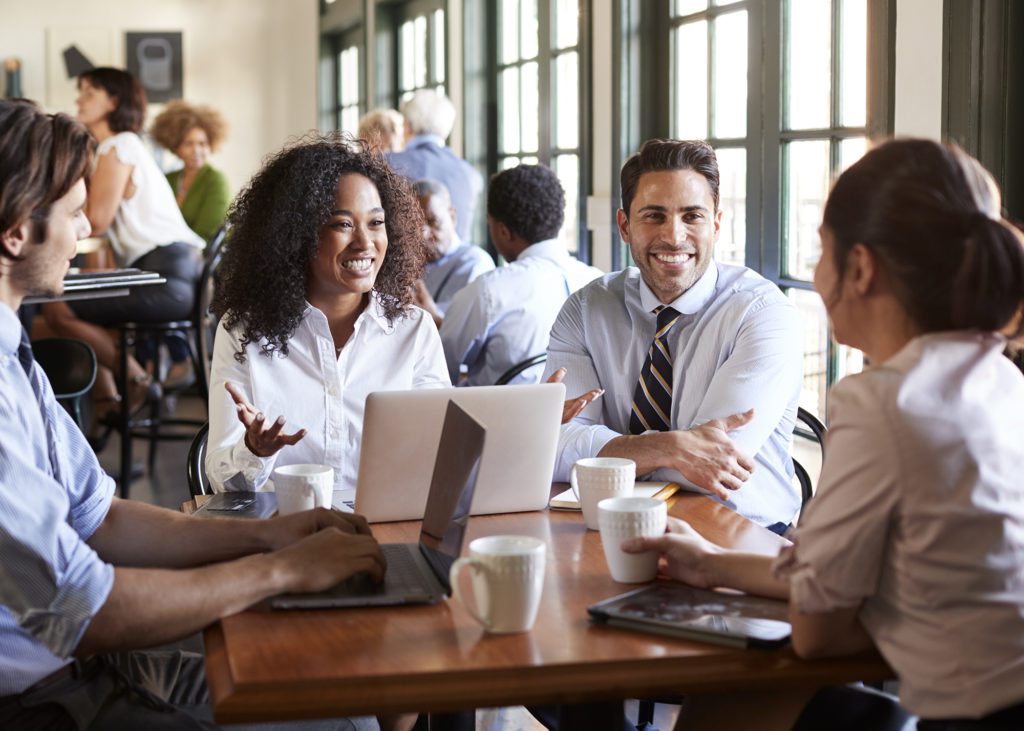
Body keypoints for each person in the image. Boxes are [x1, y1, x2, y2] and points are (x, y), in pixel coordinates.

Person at [0, 99, 385, 730]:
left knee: (334, 707)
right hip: (38, 703)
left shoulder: (15, 355)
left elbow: (99, 518)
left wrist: (268, 535)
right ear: (17, 230)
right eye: (74, 216)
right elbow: (86, 612)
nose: (83, 234)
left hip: (76, 671)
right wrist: (281, 568)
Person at [623, 139, 1024, 730]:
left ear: (859, 268)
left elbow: (820, 627)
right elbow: (830, 582)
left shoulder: (882, 401)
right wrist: (712, 564)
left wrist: (825, 590)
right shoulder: (998, 376)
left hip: (973, 718)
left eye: (820, 250)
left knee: (724, 709)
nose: (814, 272)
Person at [543, 139, 803, 530]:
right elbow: (554, 444)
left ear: (716, 223)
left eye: (692, 216)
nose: (674, 236)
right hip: (613, 521)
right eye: (654, 216)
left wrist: (607, 453)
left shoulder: (763, 314)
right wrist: (672, 447)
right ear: (625, 226)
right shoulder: (585, 310)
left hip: (741, 529)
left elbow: (713, 463)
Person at [206, 134, 449, 494]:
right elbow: (223, 482)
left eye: (376, 223)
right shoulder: (244, 331)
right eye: (343, 224)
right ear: (297, 235)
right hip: (286, 532)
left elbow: (443, 453)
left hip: (384, 529)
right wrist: (254, 451)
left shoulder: (413, 331)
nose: (365, 243)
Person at [41, 67, 206, 419]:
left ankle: (135, 381)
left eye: (89, 93)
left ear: (113, 101)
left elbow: (96, 221)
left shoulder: (119, 146)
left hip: (165, 277)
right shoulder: (124, 146)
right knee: (70, 305)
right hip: (174, 273)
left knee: (57, 307)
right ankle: (108, 404)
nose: (79, 100)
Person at [440, 163, 603, 386]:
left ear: (503, 231)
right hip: (584, 418)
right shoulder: (598, 282)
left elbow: (438, 370)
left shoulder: (489, 291)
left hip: (501, 419)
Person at [387, 89, 482, 241]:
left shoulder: (386, 164)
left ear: (407, 126)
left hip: (406, 262)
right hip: (459, 263)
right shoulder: (471, 174)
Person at [411, 178, 494, 327]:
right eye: (415, 226)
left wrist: (431, 317)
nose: (423, 235)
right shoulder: (407, 264)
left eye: (433, 222)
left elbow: (464, 336)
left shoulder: (475, 264)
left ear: (452, 216)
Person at [150, 100, 231, 242]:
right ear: (176, 147)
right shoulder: (168, 179)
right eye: (188, 144)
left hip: (204, 259)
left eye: (202, 144)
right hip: (173, 253)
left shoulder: (216, 180)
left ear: (211, 145)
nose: (196, 151)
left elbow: (207, 234)